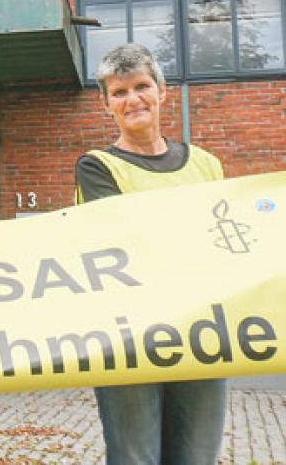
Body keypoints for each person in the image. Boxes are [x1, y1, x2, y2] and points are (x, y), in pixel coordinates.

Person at [75, 43, 226, 465]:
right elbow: (119, 242)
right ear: (105, 105)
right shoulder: (97, 166)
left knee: (197, 456)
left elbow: (226, 242)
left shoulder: (208, 164)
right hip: (128, 339)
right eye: (119, 92)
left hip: (202, 334)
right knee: (135, 457)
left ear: (162, 91)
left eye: (141, 86)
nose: (133, 99)